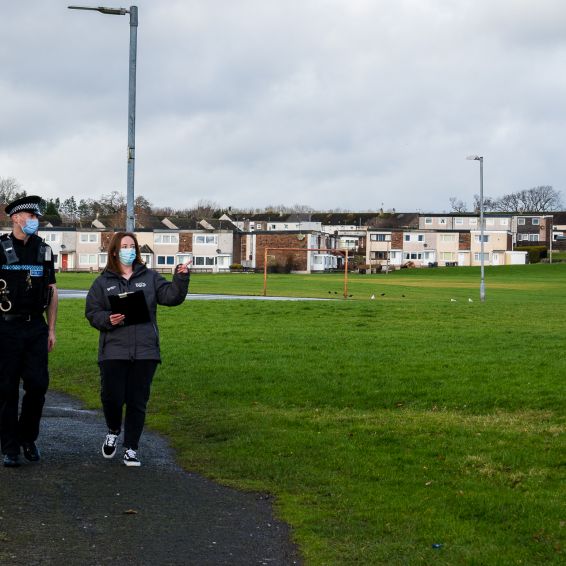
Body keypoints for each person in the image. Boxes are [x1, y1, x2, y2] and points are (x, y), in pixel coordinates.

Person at [85, 232, 190, 467]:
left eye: (132, 246)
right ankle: (113, 429)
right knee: (112, 397)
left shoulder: (150, 277)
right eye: (124, 246)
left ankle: (131, 448)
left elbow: (171, 297)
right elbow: (92, 312)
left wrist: (181, 279)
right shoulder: (103, 282)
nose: (129, 250)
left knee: (137, 400)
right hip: (113, 350)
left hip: (145, 351)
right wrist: (107, 319)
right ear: (114, 251)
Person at [0, 195, 58, 468]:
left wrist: (52, 329)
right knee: (6, 389)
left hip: (35, 327)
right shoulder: (0, 248)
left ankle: (27, 437)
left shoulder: (44, 251)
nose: (35, 221)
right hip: (5, 327)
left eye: (36, 217)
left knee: (37, 385)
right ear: (15, 218)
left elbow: (52, 292)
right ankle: (10, 447)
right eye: (30, 216)